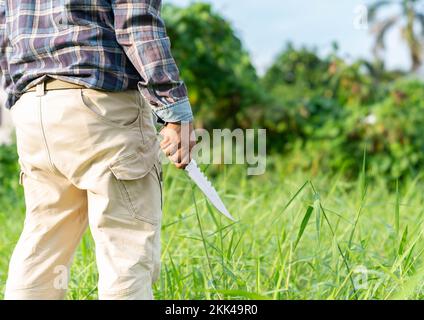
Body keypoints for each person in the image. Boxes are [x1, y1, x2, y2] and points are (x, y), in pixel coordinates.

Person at [0, 0, 196, 300]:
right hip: (99, 104)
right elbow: (137, 21)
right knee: (125, 249)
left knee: (44, 243)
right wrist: (173, 108)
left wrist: (21, 96)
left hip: (32, 108)